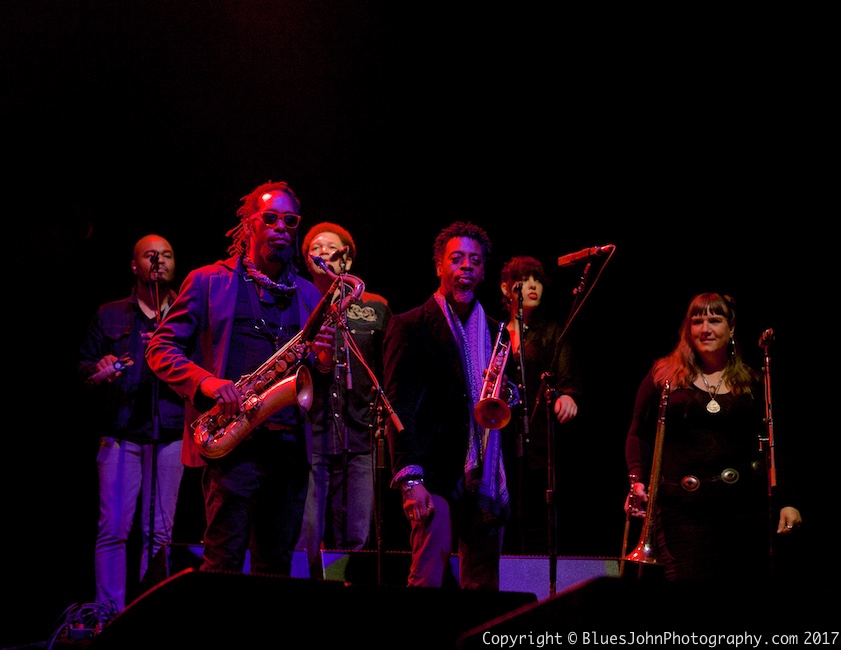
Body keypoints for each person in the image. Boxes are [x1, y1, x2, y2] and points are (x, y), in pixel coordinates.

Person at [145, 180, 337, 577]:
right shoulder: (208, 281)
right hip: (233, 445)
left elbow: (317, 384)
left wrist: (323, 361)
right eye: (270, 218)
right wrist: (207, 383)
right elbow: (160, 349)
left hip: (287, 452)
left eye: (290, 220)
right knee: (223, 565)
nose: (282, 226)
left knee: (276, 569)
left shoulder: (307, 294)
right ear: (249, 225)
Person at [623, 292, 802, 584]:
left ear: (731, 328)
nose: (705, 328)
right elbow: (638, 434)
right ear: (688, 329)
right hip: (682, 510)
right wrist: (637, 479)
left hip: (744, 508)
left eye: (715, 320)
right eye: (697, 321)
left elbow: (776, 442)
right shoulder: (664, 376)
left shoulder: (752, 380)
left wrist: (788, 500)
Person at [384, 220, 509, 590]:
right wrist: (409, 477)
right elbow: (397, 406)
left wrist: (509, 394)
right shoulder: (410, 325)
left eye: (474, 261)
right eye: (457, 259)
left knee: (483, 587)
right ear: (440, 266)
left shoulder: (496, 331)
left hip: (483, 473)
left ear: (483, 270)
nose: (466, 267)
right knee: (427, 579)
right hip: (432, 471)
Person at [78, 234, 184, 611]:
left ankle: (148, 614)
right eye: (150, 255)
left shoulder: (186, 313)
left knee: (160, 534)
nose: (160, 261)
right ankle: (108, 615)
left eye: (167, 255)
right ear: (135, 266)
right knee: (114, 530)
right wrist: (99, 369)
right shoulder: (111, 314)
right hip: (121, 433)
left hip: (170, 433)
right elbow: (83, 369)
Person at [296, 222, 392, 578]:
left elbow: (388, 368)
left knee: (357, 536)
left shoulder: (377, 307)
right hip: (311, 439)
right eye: (315, 248)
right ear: (307, 261)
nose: (323, 253)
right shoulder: (298, 302)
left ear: (346, 260)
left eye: (332, 248)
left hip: (360, 437)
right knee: (307, 536)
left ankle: (341, 598)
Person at [497, 255, 583, 555]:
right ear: (507, 289)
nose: (533, 286)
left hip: (539, 438)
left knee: (538, 512)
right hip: (500, 437)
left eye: (538, 280)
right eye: (524, 280)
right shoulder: (495, 332)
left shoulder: (552, 331)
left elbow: (567, 378)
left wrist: (567, 396)